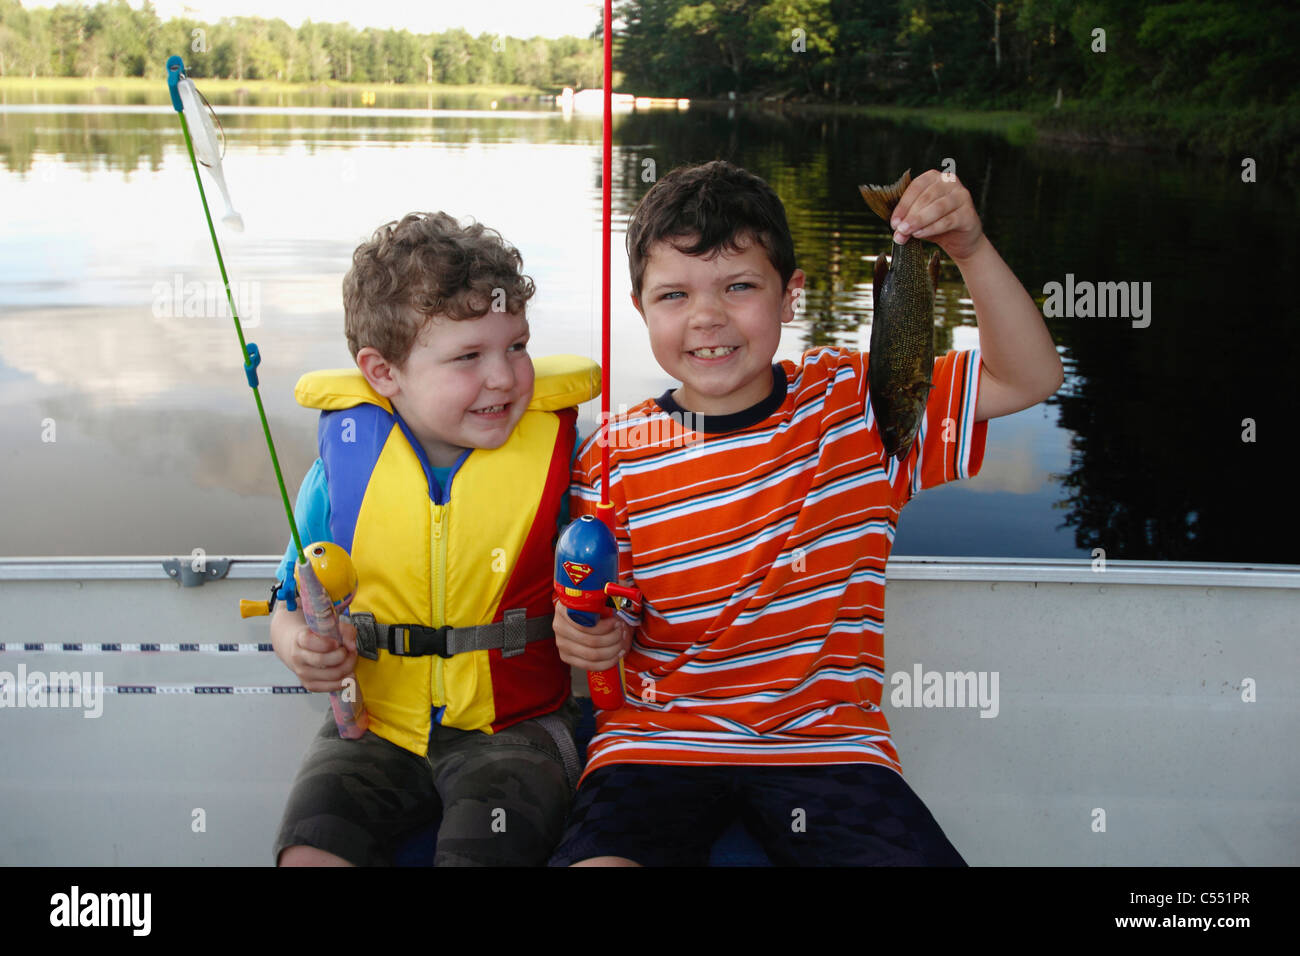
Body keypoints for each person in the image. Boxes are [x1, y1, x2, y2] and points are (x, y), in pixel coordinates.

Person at [549, 160, 1063, 866]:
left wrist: (967, 248)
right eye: (673, 294)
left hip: (828, 744)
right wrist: (593, 635)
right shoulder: (614, 450)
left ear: (790, 296)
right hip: (659, 741)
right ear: (639, 308)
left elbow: (1028, 377)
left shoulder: (861, 404)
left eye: (739, 286)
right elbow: (620, 605)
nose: (707, 317)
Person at [269, 211, 599, 866]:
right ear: (383, 371)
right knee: (309, 854)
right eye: (469, 356)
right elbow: (288, 597)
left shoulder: (568, 468)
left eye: (516, 346)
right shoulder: (341, 471)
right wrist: (300, 646)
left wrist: (599, 625)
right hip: (371, 728)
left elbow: (607, 591)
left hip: (516, 729)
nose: (504, 377)